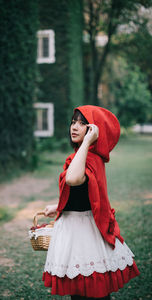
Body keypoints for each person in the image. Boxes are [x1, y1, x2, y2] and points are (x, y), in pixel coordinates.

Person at [42, 105, 140, 299]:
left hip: (85, 233)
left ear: (93, 130)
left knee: (92, 292)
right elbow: (83, 194)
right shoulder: (81, 157)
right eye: (73, 122)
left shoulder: (90, 158)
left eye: (82, 123)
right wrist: (59, 206)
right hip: (73, 227)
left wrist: (87, 142)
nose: (74, 127)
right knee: (79, 292)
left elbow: (72, 179)